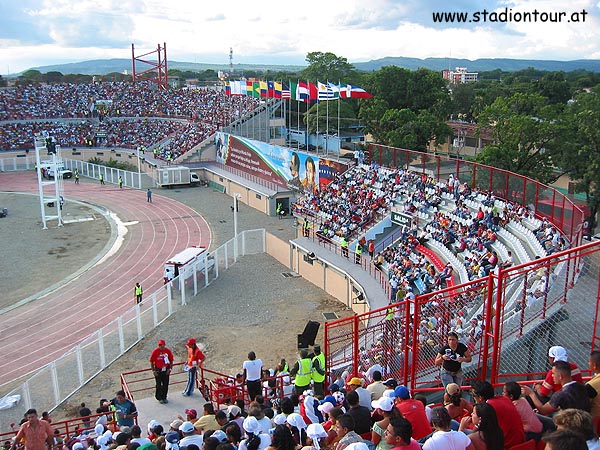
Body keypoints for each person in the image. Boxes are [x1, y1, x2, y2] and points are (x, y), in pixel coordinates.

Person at [522, 360, 591, 416]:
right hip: (584, 421)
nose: (552, 376)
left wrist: (531, 393)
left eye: (553, 373)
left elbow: (543, 410)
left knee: (537, 416)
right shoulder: (581, 387)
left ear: (560, 376)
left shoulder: (560, 394)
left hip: (568, 424)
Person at [471, 380, 525, 449]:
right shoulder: (504, 399)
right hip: (519, 440)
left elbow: (478, 427)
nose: (473, 398)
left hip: (506, 443)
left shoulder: (488, 408)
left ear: (480, 397)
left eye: (473, 395)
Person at [149, 339, 174, 404]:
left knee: (165, 384)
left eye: (162, 345)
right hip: (158, 370)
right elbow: (152, 361)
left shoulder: (168, 351)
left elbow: (171, 360)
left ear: (164, 345)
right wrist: (154, 371)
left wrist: (170, 369)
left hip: (166, 369)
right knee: (158, 384)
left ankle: (164, 397)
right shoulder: (155, 351)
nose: (161, 346)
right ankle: (159, 397)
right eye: (159, 345)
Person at [587, 350, 600, 419]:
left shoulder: (591, 385)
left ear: (594, 365)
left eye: (589, 362)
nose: (588, 363)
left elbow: (585, 404)